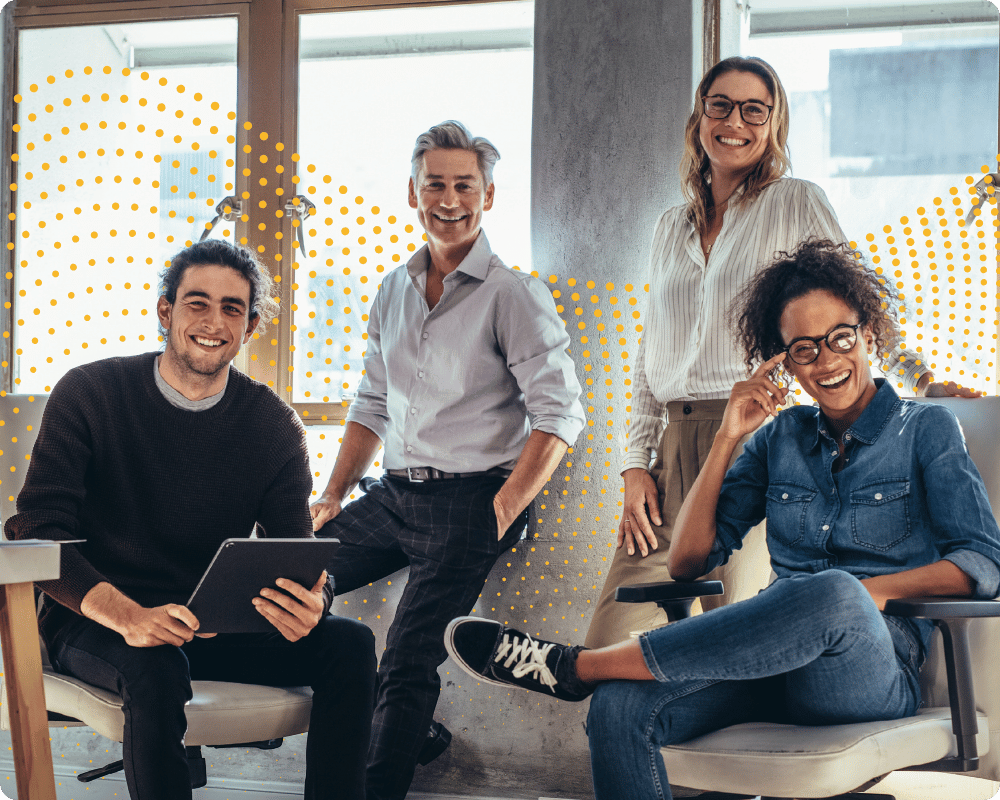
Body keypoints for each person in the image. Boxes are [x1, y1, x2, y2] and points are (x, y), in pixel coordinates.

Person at [443, 238, 1000, 800]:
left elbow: (982, 563)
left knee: (834, 591)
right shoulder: (779, 438)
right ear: (784, 362)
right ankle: (593, 675)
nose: (826, 361)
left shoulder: (925, 428)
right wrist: (729, 435)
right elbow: (688, 561)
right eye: (803, 349)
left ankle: (580, 666)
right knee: (619, 708)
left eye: (839, 338)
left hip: (869, 669)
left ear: (868, 336)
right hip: (776, 661)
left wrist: (869, 593)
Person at [585, 56, 979, 650]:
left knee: (737, 643)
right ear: (700, 116)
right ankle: (586, 675)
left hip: (752, 438)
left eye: (754, 110)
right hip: (672, 445)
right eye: (720, 105)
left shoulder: (796, 201)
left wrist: (924, 378)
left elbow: (855, 303)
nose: (735, 121)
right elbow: (650, 351)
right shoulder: (670, 225)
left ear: (773, 125)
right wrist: (635, 463)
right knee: (611, 636)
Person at [5, 239, 377, 800]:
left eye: (232, 308)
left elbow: (291, 550)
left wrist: (313, 602)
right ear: (166, 312)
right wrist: (128, 616)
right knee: (154, 662)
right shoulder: (89, 393)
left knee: (348, 644)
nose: (213, 321)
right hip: (95, 619)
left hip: (203, 623)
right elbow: (36, 533)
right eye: (196, 303)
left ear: (250, 326)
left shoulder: (273, 425)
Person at [310, 120, 586, 800]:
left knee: (408, 658)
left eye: (465, 184)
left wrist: (505, 504)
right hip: (394, 495)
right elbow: (372, 402)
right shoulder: (391, 289)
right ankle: (415, 732)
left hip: (472, 501)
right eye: (435, 183)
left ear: (488, 197)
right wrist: (332, 493)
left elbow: (559, 414)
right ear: (412, 191)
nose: (449, 197)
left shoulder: (512, 294)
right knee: (285, 585)